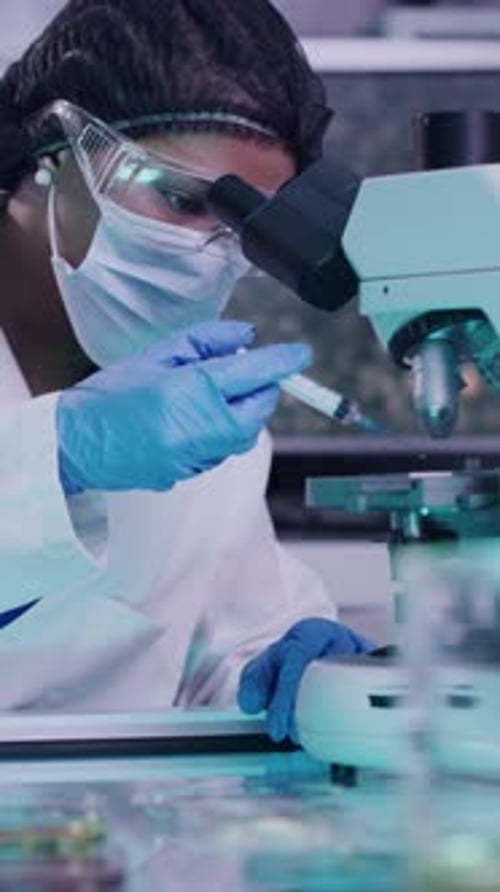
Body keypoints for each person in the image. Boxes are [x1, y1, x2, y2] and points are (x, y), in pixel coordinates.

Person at [0, 0, 373, 740]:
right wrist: (56, 456)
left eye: (241, 228)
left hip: (99, 813)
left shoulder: (205, 431)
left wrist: (292, 670)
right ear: (50, 157)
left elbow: (220, 657)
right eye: (179, 199)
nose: (209, 255)